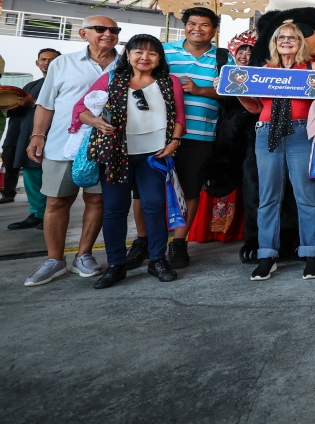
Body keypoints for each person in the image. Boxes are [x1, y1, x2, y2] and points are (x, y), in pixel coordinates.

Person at [72, 35, 186, 288]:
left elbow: (179, 115)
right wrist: (95, 121)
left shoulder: (170, 82)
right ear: (128, 55)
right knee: (114, 209)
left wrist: (174, 141)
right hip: (117, 154)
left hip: (154, 155)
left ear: (159, 59)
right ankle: (115, 265)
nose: (144, 57)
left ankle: (157, 260)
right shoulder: (111, 79)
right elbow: (81, 108)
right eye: (138, 52)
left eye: (152, 53)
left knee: (155, 206)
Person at [23, 16, 119, 286]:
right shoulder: (62, 63)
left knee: (97, 201)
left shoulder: (126, 64)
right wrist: (37, 135)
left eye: (113, 30)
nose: (107, 34)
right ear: (83, 33)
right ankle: (54, 259)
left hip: (106, 147)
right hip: (62, 144)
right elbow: (46, 104)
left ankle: (84, 255)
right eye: (99, 29)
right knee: (56, 201)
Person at [236, 22, 315, 281]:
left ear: (300, 43)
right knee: (268, 197)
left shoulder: (311, 68)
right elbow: (254, 107)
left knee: (307, 196)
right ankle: (267, 255)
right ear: (274, 42)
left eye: (292, 37)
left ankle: (312, 255)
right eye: (281, 38)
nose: (286, 41)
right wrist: (235, 91)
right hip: (266, 132)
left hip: (300, 132)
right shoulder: (264, 70)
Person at [155, 7, 234, 269]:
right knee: (148, 191)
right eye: (192, 23)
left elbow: (233, 93)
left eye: (205, 25)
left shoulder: (224, 58)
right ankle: (146, 241)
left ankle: (179, 242)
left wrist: (200, 90)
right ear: (185, 25)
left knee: (190, 189)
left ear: (214, 29)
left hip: (202, 134)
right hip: (158, 133)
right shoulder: (164, 51)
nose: (197, 29)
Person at [6, 49, 60, 229]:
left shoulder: (63, 83)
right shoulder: (31, 85)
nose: (47, 63)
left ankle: (51, 216)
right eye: (43, 59)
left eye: (52, 60)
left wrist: (33, 102)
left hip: (54, 137)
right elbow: (19, 112)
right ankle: (37, 214)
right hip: (29, 137)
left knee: (53, 179)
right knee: (31, 175)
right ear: (37, 63)